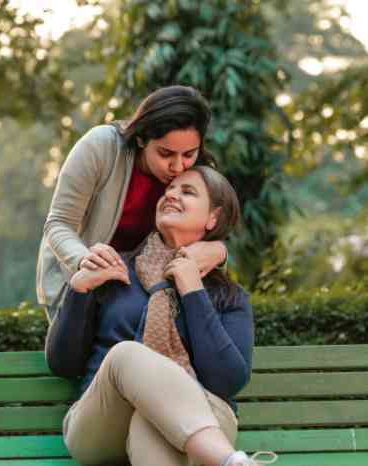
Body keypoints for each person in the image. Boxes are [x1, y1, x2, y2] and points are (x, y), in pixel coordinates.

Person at [45, 166, 277, 466]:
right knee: (126, 355)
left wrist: (193, 291)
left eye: (188, 191)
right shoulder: (111, 269)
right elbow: (63, 363)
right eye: (170, 190)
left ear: (213, 218)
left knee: (150, 421)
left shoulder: (228, 296)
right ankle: (229, 461)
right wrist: (78, 290)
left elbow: (227, 380)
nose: (172, 195)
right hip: (102, 424)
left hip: (205, 414)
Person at [37, 85, 229, 322]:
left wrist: (220, 250)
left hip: (151, 293)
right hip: (83, 285)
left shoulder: (198, 171)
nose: (178, 167)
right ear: (140, 138)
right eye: (165, 154)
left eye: (189, 154)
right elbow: (58, 223)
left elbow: (209, 226)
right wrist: (85, 261)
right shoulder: (101, 147)